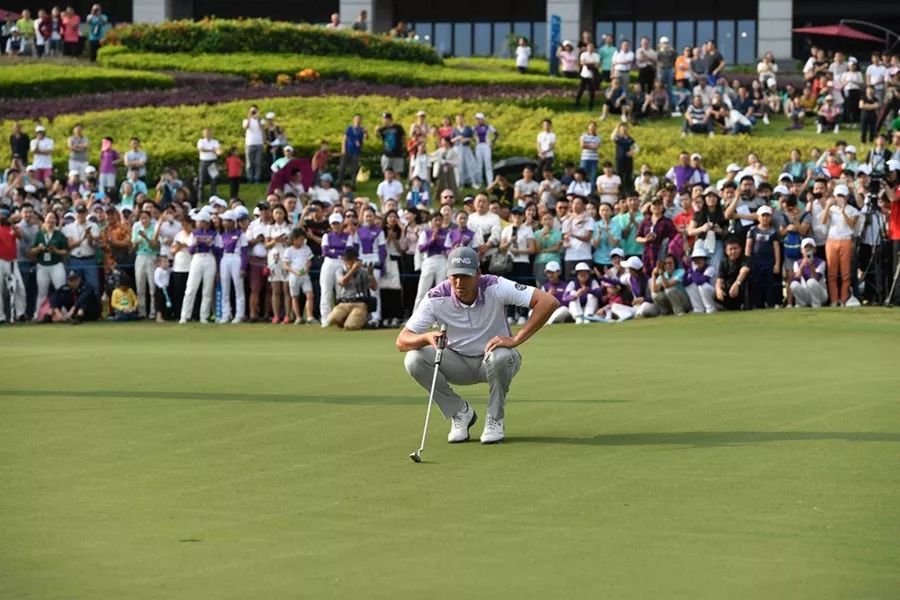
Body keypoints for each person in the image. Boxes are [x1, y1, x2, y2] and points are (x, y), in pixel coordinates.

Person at [397, 246, 558, 444]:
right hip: (457, 362)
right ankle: (460, 412)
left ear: (478, 274)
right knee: (413, 359)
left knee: (503, 355)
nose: (458, 282)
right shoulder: (436, 297)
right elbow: (402, 340)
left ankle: (495, 418)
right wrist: (427, 337)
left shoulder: (495, 285)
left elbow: (547, 301)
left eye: (465, 276)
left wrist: (516, 339)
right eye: (453, 276)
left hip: (493, 360)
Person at [820, 183, 860, 305]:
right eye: (838, 196)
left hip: (846, 241)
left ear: (847, 197)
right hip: (832, 241)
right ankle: (834, 299)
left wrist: (843, 211)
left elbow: (851, 224)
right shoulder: (831, 209)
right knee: (832, 273)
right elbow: (823, 220)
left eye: (842, 196)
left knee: (845, 274)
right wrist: (827, 205)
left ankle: (843, 299)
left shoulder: (853, 210)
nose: (840, 198)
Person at [178, 210, 219, 324]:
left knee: (207, 289)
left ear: (205, 222)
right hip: (197, 258)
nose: (197, 223)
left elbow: (218, 251)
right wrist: (195, 244)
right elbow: (191, 251)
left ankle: (204, 316)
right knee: (191, 288)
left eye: (199, 221)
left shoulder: (214, 234)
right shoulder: (194, 234)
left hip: (209, 258)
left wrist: (211, 244)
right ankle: (185, 315)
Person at [319, 213, 357, 326]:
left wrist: (334, 251)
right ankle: (325, 318)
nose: (336, 225)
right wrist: (339, 252)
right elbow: (325, 252)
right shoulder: (327, 236)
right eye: (333, 224)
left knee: (341, 292)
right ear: (331, 225)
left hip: (342, 264)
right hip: (329, 263)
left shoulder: (348, 236)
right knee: (326, 291)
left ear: (342, 223)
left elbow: (349, 252)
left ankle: (340, 318)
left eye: (338, 223)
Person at [327, 247, 376, 330]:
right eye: (347, 260)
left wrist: (371, 275)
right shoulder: (340, 270)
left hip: (359, 304)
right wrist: (353, 270)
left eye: (351, 260)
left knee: (350, 326)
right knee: (331, 320)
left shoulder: (363, 272)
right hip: (344, 303)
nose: (348, 263)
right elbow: (342, 282)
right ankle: (347, 319)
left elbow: (374, 287)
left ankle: (360, 320)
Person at [30, 212, 68, 320]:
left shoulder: (59, 235)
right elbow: (32, 251)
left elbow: (65, 251)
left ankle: (64, 314)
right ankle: (37, 314)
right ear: (45, 220)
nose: (51, 221)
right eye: (49, 218)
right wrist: (39, 248)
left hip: (56, 264)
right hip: (42, 265)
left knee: (60, 289)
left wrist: (56, 251)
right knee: (42, 291)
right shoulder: (40, 234)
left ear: (56, 221)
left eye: (53, 219)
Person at [744, 206, 782, 308]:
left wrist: (777, 264)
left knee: (769, 283)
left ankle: (770, 303)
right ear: (758, 217)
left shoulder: (773, 231)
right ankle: (756, 304)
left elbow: (776, 248)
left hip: (769, 261)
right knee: (756, 283)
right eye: (763, 215)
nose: (765, 218)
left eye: (767, 216)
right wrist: (747, 261)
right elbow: (748, 246)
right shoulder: (752, 230)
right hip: (756, 261)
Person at [218, 210, 248, 324]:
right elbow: (220, 251)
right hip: (225, 258)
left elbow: (244, 252)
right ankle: (226, 313)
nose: (224, 223)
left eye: (226, 220)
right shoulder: (223, 235)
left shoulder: (240, 234)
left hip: (236, 258)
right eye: (223, 220)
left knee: (238, 288)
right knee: (225, 287)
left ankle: (239, 314)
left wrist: (243, 267)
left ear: (232, 222)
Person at [283, 228, 315, 324]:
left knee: (309, 295)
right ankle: (298, 317)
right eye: (300, 239)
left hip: (305, 276)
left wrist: (306, 268)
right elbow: (285, 265)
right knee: (295, 296)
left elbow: (309, 262)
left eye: (303, 239)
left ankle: (310, 316)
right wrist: (294, 272)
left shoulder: (306, 248)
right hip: (293, 277)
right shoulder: (289, 250)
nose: (302, 241)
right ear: (294, 239)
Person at [131, 209, 159, 319]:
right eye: (141, 218)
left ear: (150, 218)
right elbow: (133, 247)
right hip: (140, 257)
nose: (143, 220)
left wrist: (145, 237)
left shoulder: (154, 228)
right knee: (140, 286)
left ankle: (153, 312)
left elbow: (154, 246)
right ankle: (142, 312)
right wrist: (136, 242)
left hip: (151, 257)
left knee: (152, 286)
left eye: (145, 218)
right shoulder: (136, 228)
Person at [790, 238, 828, 308]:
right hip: (806, 293)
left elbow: (816, 278)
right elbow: (796, 278)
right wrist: (801, 267)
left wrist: (811, 266)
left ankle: (816, 305)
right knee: (793, 284)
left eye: (810, 247)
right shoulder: (797, 263)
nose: (808, 249)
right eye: (805, 247)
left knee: (811, 282)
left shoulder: (821, 262)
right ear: (801, 250)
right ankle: (801, 304)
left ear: (815, 250)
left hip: (820, 295)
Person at [716, 237, 750, 310]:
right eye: (730, 249)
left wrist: (736, 284)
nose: (733, 251)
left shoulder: (745, 259)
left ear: (740, 249)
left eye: (735, 248)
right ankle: (733, 307)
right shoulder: (723, 262)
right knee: (716, 294)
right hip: (730, 288)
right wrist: (718, 289)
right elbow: (720, 279)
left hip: (741, 286)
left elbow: (744, 271)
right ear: (726, 251)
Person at [683, 246, 717, 313]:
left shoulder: (710, 269)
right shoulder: (694, 270)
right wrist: (687, 269)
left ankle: (711, 309)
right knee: (690, 286)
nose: (698, 261)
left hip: (715, 296)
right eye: (695, 259)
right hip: (705, 295)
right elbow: (685, 283)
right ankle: (699, 308)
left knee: (703, 286)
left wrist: (691, 272)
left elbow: (700, 281)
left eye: (700, 259)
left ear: (705, 260)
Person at [338, 114, 367, 188]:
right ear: (354, 120)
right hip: (347, 151)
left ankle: (353, 184)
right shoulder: (349, 128)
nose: (358, 120)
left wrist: (366, 133)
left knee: (354, 169)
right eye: (356, 119)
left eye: (359, 119)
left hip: (356, 152)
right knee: (342, 168)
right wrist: (343, 149)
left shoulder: (362, 130)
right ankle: (339, 183)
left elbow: (365, 138)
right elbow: (344, 139)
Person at [472, 113, 497, 187]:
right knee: (478, 165)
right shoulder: (474, 127)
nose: (478, 121)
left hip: (486, 146)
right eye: (477, 119)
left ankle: (490, 182)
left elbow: (496, 134)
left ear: (483, 119)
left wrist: (492, 142)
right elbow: (471, 135)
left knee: (488, 164)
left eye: (479, 119)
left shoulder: (489, 127)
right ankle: (479, 182)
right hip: (478, 146)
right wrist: (474, 141)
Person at [196, 128, 221, 201]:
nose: (208, 134)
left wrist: (217, 151)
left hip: (212, 162)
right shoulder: (201, 141)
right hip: (204, 162)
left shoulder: (215, 142)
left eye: (209, 133)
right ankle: (200, 198)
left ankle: (214, 198)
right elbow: (201, 149)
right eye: (206, 133)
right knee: (201, 181)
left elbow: (218, 150)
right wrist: (211, 150)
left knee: (214, 181)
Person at [575, 43, 600, 110]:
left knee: (592, 91)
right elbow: (582, 63)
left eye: (592, 47)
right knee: (581, 90)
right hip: (584, 74)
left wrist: (587, 63)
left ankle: (591, 106)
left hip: (592, 76)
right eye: (589, 47)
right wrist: (592, 63)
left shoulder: (596, 55)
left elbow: (597, 65)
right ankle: (577, 103)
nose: (591, 48)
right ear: (587, 48)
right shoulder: (583, 54)